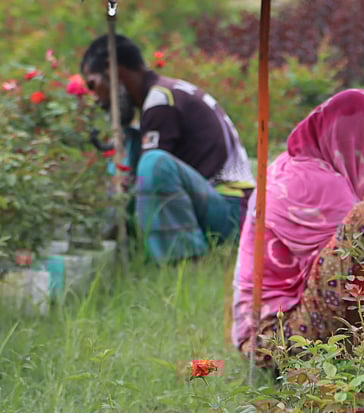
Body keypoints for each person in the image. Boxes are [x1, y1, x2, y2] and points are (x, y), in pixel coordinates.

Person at [231, 89, 364, 368]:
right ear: (352, 140)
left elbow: (336, 244)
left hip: (259, 333)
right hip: (276, 338)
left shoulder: (293, 167)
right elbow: (347, 256)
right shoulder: (315, 182)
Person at [80, 34, 254, 263]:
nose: (96, 98)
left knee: (154, 163)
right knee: (130, 142)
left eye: (93, 85)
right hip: (222, 205)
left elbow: (152, 177)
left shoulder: (161, 100)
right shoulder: (164, 94)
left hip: (233, 213)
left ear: (112, 70)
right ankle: (124, 249)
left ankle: (182, 262)